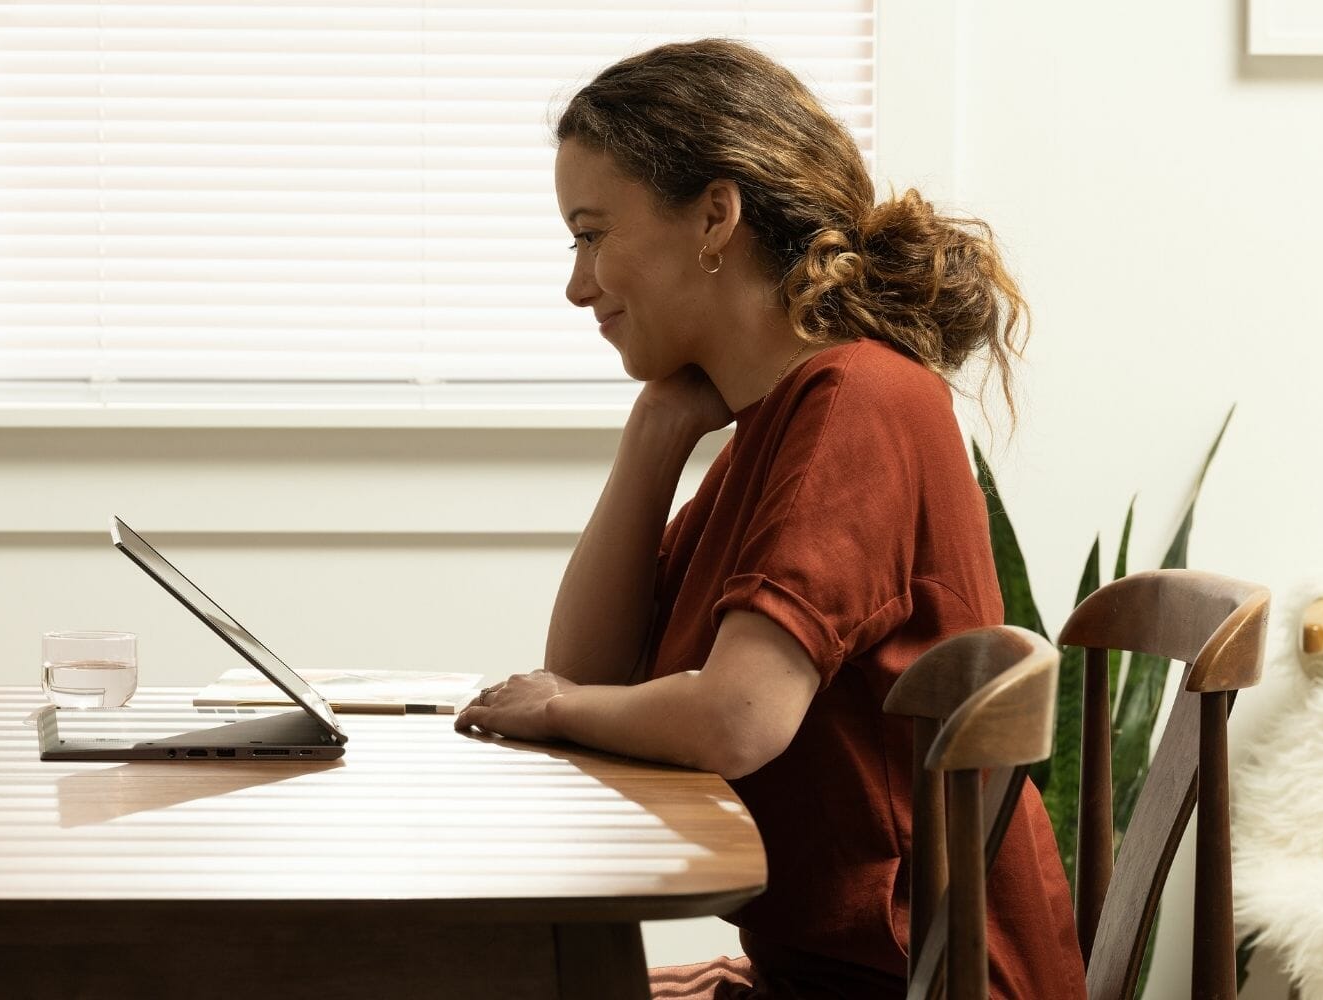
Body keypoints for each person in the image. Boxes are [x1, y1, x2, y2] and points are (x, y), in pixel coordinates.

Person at [453, 39, 1085, 1000]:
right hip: (852, 971)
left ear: (715, 216)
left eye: (591, 234)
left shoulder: (855, 401)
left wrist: (555, 708)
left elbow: (738, 718)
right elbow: (591, 669)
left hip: (924, 983)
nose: (577, 286)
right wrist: (657, 432)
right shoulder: (781, 417)